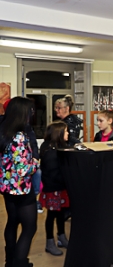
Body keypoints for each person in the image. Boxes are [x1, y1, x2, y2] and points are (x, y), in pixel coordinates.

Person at [0, 96, 39, 267]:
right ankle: (19, 263)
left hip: (7, 188)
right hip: (21, 189)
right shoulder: (20, 137)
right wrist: (36, 164)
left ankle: (10, 260)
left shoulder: (4, 132)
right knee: (30, 228)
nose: (31, 114)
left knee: (12, 222)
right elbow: (24, 170)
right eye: (29, 111)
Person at [39, 121, 70, 256]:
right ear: (59, 133)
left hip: (60, 187)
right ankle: (49, 242)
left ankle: (62, 237)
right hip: (53, 189)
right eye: (66, 131)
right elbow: (53, 172)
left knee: (61, 213)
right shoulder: (51, 151)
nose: (68, 133)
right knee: (52, 216)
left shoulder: (58, 147)